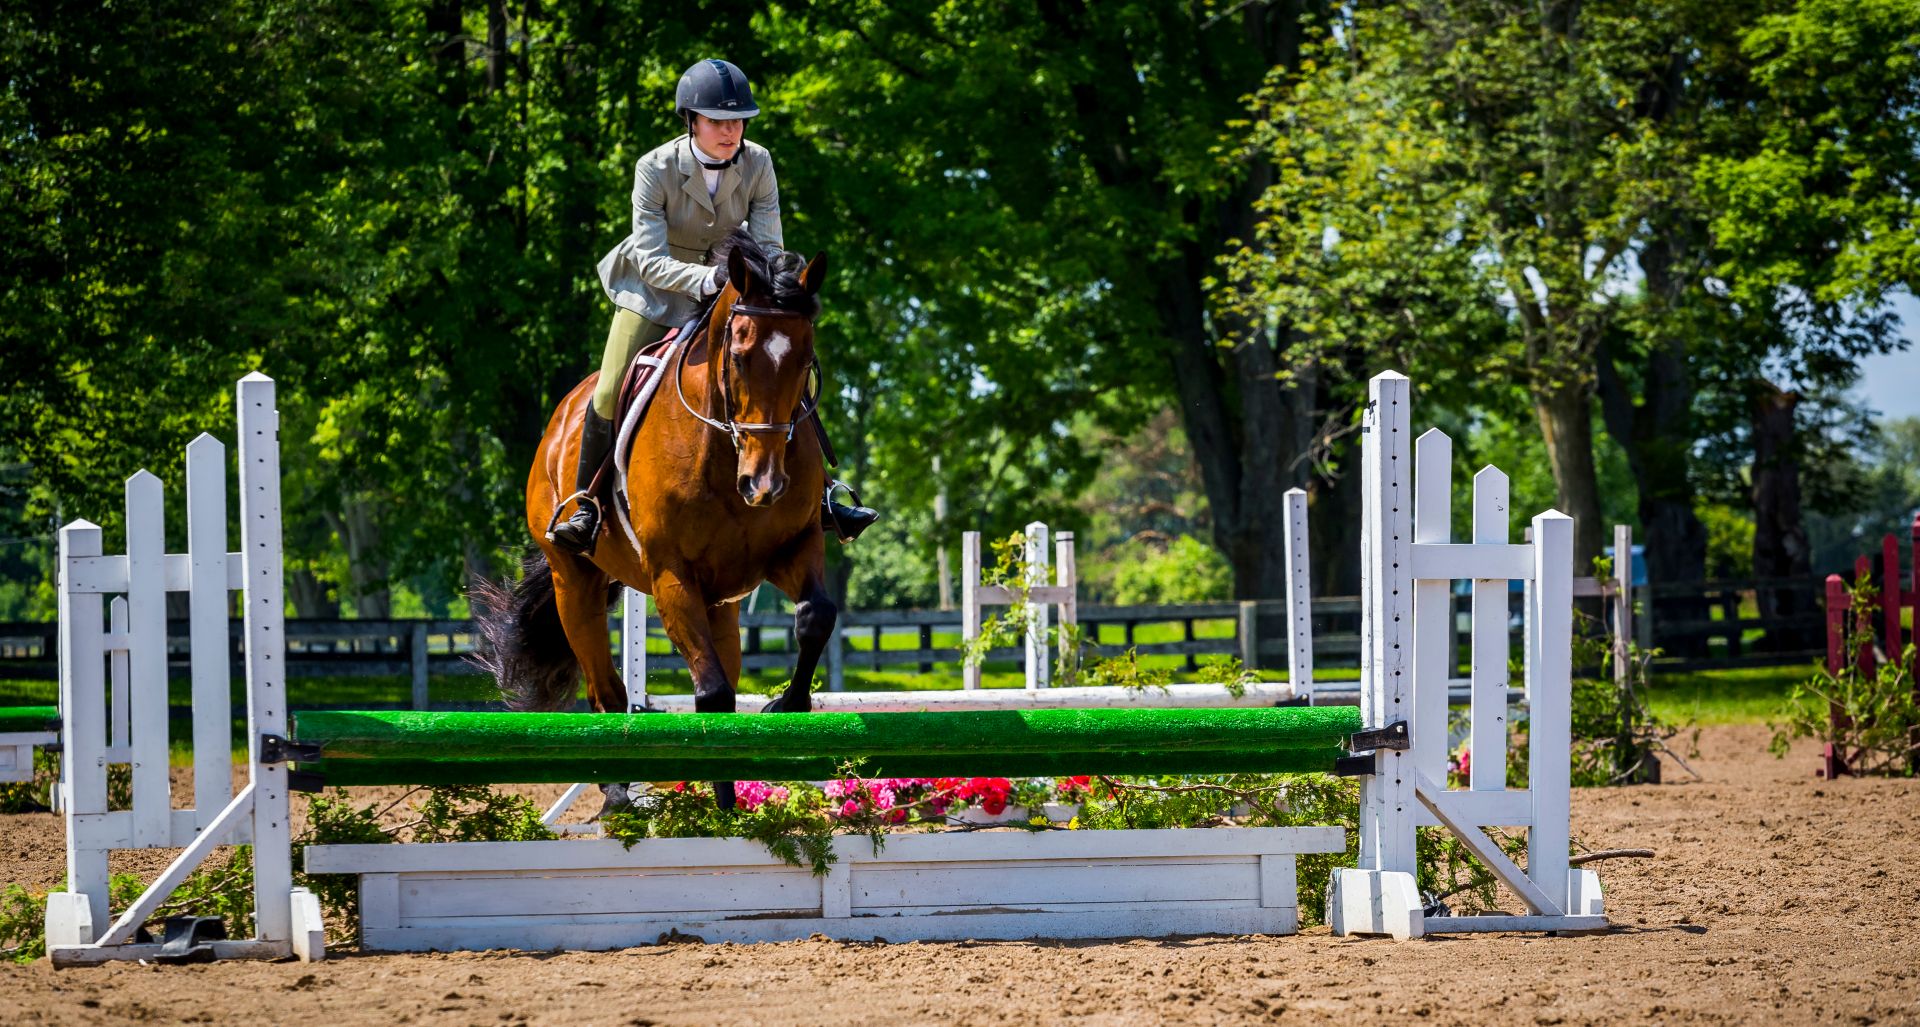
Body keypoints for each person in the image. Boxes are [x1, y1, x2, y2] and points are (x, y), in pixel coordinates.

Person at [549, 58, 877, 555]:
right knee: (612, 383)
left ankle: (823, 494)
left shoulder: (758, 162)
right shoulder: (654, 168)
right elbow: (650, 259)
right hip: (656, 289)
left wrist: (758, 286)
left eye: (738, 120)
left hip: (737, 291)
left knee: (788, 369)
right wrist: (712, 278)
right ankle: (585, 505)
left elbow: (768, 246)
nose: (731, 131)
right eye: (718, 121)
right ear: (691, 121)